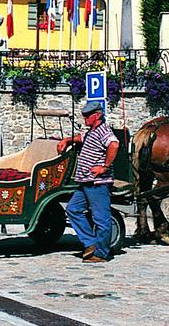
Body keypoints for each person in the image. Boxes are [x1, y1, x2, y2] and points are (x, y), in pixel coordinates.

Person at [57, 99, 120, 264]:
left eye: (87, 115)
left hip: (97, 182)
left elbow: (114, 144)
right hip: (85, 181)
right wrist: (67, 140)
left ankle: (101, 253)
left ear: (97, 115)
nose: (84, 118)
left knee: (101, 219)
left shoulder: (104, 131)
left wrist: (104, 167)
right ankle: (91, 243)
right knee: (73, 209)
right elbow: (81, 137)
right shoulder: (92, 130)